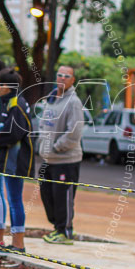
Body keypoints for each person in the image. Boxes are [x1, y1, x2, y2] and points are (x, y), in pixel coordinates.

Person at [38, 65, 84, 245]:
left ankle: (64, 231)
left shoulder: (73, 102)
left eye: (67, 76)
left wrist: (57, 148)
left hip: (66, 160)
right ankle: (56, 227)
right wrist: (43, 147)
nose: (62, 78)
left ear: (73, 80)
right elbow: (43, 125)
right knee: (47, 194)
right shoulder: (51, 99)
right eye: (60, 75)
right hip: (48, 159)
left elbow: (75, 132)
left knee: (62, 197)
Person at [0, 68, 35, 253]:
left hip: (16, 161)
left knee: (14, 199)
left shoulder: (16, 103)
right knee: (10, 198)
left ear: (7, 87)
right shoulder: (9, 102)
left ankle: (18, 243)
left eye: (0, 84)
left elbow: (13, 133)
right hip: (8, 160)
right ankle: (9, 240)